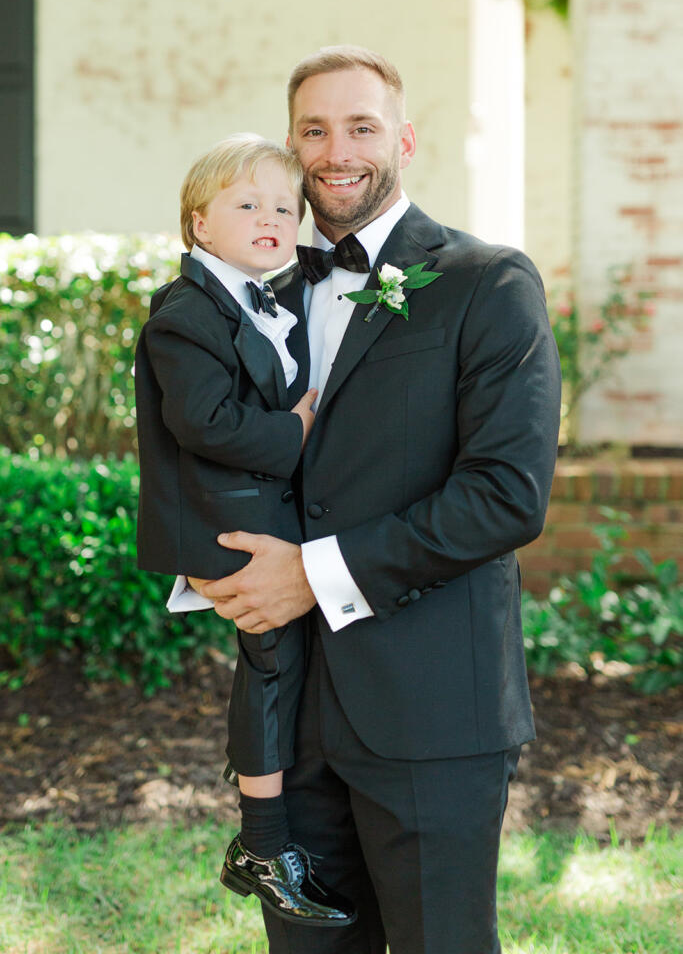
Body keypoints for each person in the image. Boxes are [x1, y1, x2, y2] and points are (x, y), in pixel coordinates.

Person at [188, 46, 563, 954]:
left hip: (433, 705)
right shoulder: (252, 288)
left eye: (359, 126)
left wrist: (311, 575)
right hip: (288, 710)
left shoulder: (487, 283)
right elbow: (202, 433)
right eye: (312, 130)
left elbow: (506, 496)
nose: (335, 150)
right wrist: (207, 559)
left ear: (402, 139)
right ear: (290, 143)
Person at [134, 133, 356, 928]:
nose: (272, 218)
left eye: (284, 207)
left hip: (265, 512)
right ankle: (262, 843)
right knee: (272, 661)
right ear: (200, 225)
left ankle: (269, 834)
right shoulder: (185, 312)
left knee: (283, 667)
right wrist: (295, 430)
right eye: (247, 204)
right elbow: (204, 422)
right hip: (229, 526)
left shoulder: (266, 295)